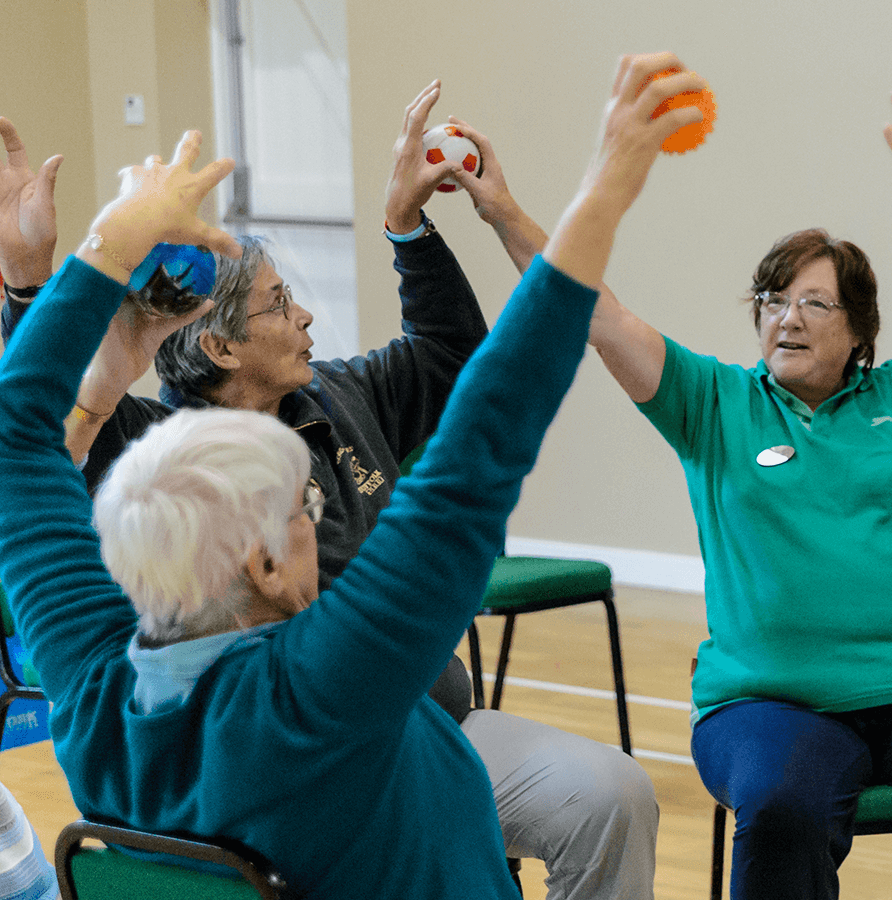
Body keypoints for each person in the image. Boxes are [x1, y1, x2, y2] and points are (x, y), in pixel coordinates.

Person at [0, 54, 702, 897]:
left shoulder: (89, 689)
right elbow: (479, 448)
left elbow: (17, 441)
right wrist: (607, 188)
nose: (317, 511)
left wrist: (85, 255)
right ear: (260, 565)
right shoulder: (323, 695)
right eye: (299, 506)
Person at [452, 109, 892, 895]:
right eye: (774, 299)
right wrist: (502, 209)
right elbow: (594, 310)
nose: (787, 316)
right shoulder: (713, 402)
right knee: (786, 808)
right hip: (767, 702)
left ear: (859, 331)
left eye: (814, 303)